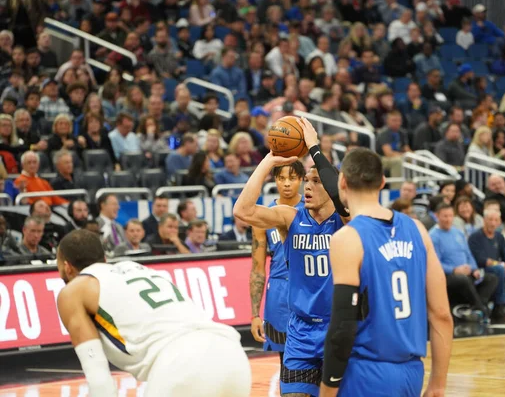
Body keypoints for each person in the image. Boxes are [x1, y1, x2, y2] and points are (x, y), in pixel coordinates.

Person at [318, 148, 452, 397]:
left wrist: (327, 390)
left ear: (343, 181)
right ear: (382, 182)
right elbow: (442, 314)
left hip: (366, 373)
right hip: (411, 373)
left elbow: (342, 327)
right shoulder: (418, 230)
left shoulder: (347, 238)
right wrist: (438, 383)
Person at [55, 230, 251, 396]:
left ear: (67, 267)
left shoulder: (73, 291)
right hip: (232, 355)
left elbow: (100, 383)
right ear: (104, 258)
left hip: (181, 365)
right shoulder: (138, 268)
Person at [234, 117, 349, 396]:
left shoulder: (346, 221)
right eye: (306, 180)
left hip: (339, 330)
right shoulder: (290, 217)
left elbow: (341, 196)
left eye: (316, 181)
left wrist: (313, 148)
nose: (307, 186)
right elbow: (243, 211)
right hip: (300, 332)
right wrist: (269, 161)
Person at [250, 160, 305, 365]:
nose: (287, 184)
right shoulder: (264, 216)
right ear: (275, 180)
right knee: (287, 364)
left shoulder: (312, 209)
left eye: (292, 178)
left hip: (308, 288)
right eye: (282, 178)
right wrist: (255, 314)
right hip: (279, 293)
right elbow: (257, 269)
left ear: (301, 179)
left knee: (318, 363)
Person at [431, 203, 498, 321]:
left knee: (491, 278)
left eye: (451, 216)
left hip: (466, 272)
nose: (448, 219)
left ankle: (472, 309)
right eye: (445, 216)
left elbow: (468, 254)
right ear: (437, 216)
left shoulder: (458, 232)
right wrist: (454, 270)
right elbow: (434, 263)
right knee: (462, 279)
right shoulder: (433, 236)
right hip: (447, 276)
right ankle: (481, 310)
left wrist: (474, 269)